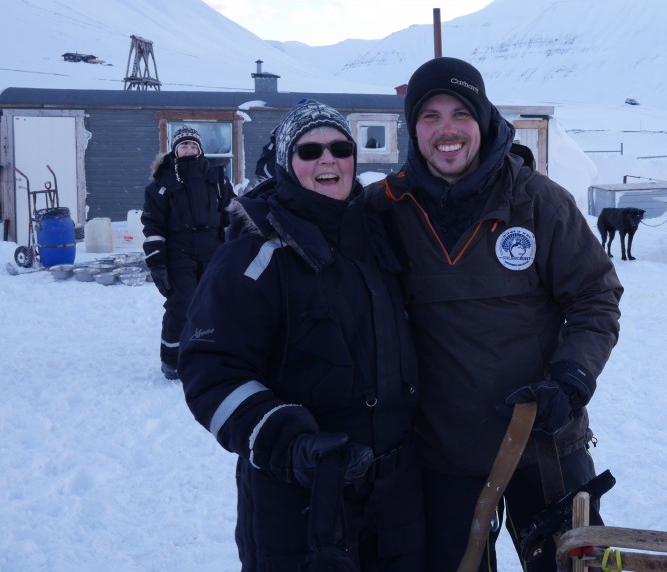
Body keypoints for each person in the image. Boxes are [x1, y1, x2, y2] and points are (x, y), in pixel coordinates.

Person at [364, 57, 623, 571]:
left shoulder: (539, 201)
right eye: (430, 116)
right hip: (439, 451)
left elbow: (596, 297)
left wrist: (570, 380)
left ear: (482, 120)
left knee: (573, 565)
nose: (447, 130)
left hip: (546, 438)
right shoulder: (383, 209)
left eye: (460, 113)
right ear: (412, 128)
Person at [176, 100, 424, 571]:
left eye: (339, 147)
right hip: (302, 498)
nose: (327, 159)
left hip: (396, 496)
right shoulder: (255, 251)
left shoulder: (378, 236)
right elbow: (211, 369)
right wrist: (288, 443)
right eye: (310, 150)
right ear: (288, 163)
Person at [142, 125, 234, 380]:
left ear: (201, 149)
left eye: (194, 145)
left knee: (213, 305)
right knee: (181, 305)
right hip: (179, 252)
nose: (189, 149)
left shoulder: (217, 179)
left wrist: (239, 247)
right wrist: (156, 262)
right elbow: (153, 226)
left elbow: (233, 215)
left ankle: (210, 355)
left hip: (213, 250)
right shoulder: (161, 185)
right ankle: (172, 359)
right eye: (184, 145)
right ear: (175, 149)